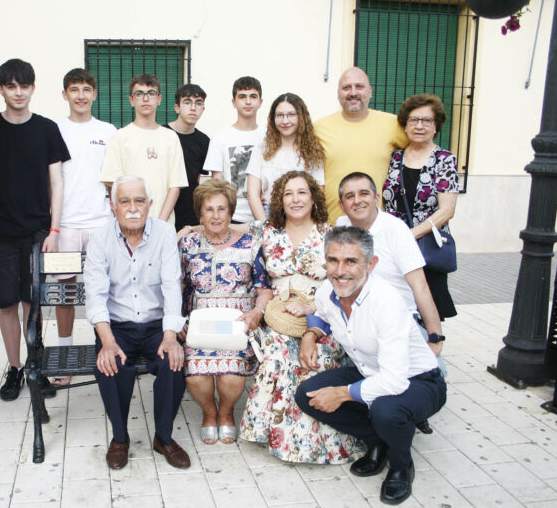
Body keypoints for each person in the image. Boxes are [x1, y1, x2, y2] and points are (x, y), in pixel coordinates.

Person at [295, 226, 447, 505]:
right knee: (306, 394)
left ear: (371, 264)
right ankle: (378, 442)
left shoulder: (386, 301)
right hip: (370, 370)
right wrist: (310, 335)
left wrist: (341, 393)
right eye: (333, 260)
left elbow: (395, 381)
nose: (340, 270)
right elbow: (320, 313)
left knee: (386, 409)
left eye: (351, 261)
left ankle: (401, 466)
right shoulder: (329, 289)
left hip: (419, 380)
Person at [238, 171, 363, 464]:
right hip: (279, 315)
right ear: (279, 200)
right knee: (279, 352)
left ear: (313, 197)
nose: (295, 199)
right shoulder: (266, 230)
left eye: (302, 192)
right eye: (288, 194)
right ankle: (283, 439)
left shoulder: (331, 233)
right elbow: (226, 228)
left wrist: (311, 311)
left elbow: (344, 283)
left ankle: (326, 440)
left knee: (316, 358)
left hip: (323, 314)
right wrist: (187, 228)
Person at [0, 58, 70, 401]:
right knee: (7, 304)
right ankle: (14, 368)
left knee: (34, 303)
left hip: (37, 232)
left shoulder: (46, 129)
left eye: (24, 86)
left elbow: (56, 183)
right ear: (1, 89)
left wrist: (54, 229)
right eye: (11, 86)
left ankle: (35, 365)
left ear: (33, 88)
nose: (18, 92)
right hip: (0, 232)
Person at [84, 175, 190, 470]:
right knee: (110, 365)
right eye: (124, 201)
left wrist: (171, 336)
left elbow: (172, 287)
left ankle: (164, 438)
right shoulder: (100, 239)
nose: (132, 208)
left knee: (174, 361)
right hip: (117, 326)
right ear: (112, 206)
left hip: (156, 325)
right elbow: (95, 295)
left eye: (139, 200)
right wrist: (107, 342)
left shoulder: (164, 234)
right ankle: (120, 438)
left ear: (150, 205)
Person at [337, 171, 446, 434]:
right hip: (359, 321)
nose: (357, 201)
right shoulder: (341, 227)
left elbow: (419, 285)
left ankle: (411, 412)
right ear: (342, 204)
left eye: (364, 194)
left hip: (400, 321)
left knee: (433, 374)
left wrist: (435, 336)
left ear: (377, 198)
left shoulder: (395, 230)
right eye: (349, 196)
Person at [178, 179, 272, 445]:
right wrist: (179, 322)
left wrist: (257, 312)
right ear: (200, 214)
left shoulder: (251, 244)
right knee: (197, 376)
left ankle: (227, 412)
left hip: (239, 323)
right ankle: (209, 413)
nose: (216, 215)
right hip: (200, 324)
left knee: (230, 377)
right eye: (209, 209)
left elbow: (264, 287)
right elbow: (180, 287)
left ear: (231, 212)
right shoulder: (188, 245)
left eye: (222, 209)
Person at [49, 68, 117, 386]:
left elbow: (113, 178)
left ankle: (105, 350)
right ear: (65, 94)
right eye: (74, 89)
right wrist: (53, 226)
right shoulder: (53, 129)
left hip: (101, 223)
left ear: (94, 94)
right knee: (65, 290)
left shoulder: (108, 130)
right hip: (65, 225)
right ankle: (64, 356)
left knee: (101, 290)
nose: (80, 95)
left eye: (86, 89)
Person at [382, 93, 459, 321]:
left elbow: (447, 210)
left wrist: (410, 235)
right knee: (395, 305)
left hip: (426, 247)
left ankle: (431, 348)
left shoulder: (444, 159)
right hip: (394, 245)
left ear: (436, 126)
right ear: (405, 125)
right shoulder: (395, 157)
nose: (419, 126)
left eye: (427, 120)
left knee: (428, 306)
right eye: (414, 120)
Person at [314, 67, 408, 224]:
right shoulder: (320, 127)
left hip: (376, 224)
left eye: (359, 86)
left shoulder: (392, 124)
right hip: (331, 223)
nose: (353, 93)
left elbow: (419, 152)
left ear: (370, 91)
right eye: (346, 88)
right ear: (338, 93)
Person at [99, 73, 188, 225]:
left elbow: (175, 186)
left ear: (159, 99)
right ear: (131, 100)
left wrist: (160, 224)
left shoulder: (171, 137)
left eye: (151, 93)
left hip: (162, 225)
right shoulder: (120, 137)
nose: (145, 98)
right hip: (129, 225)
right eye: (139, 94)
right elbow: (114, 185)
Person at [247, 93, 325, 220]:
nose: (285, 121)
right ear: (273, 118)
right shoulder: (261, 149)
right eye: (280, 115)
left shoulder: (313, 152)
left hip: (303, 217)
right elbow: (252, 193)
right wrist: (265, 227)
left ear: (301, 117)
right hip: (268, 215)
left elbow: (318, 193)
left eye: (291, 114)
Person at [203, 76, 265, 223]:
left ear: (260, 102)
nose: (248, 101)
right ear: (234, 102)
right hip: (233, 217)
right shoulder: (221, 137)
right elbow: (217, 184)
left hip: (266, 215)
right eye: (242, 96)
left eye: (253, 96)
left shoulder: (269, 136)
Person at [164, 83, 210, 230]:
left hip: (190, 214)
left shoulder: (204, 141)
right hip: (163, 208)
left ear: (203, 109)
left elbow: (199, 179)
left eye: (198, 103)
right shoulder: (163, 134)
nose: (193, 108)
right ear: (177, 107)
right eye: (187, 102)